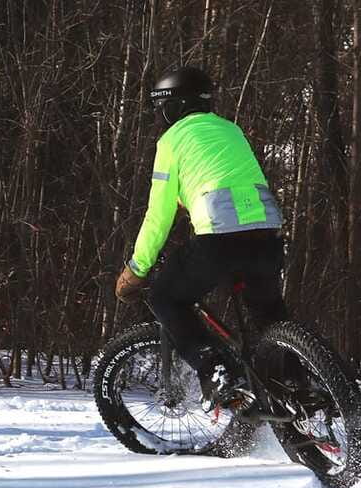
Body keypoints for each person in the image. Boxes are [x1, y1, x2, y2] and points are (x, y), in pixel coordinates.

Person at [114, 66, 286, 406]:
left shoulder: (172, 140)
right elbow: (226, 180)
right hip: (267, 235)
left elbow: (157, 217)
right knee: (269, 319)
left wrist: (135, 270)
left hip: (219, 239)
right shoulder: (232, 131)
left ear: (173, 106)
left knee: (165, 296)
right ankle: (303, 382)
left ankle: (217, 370)